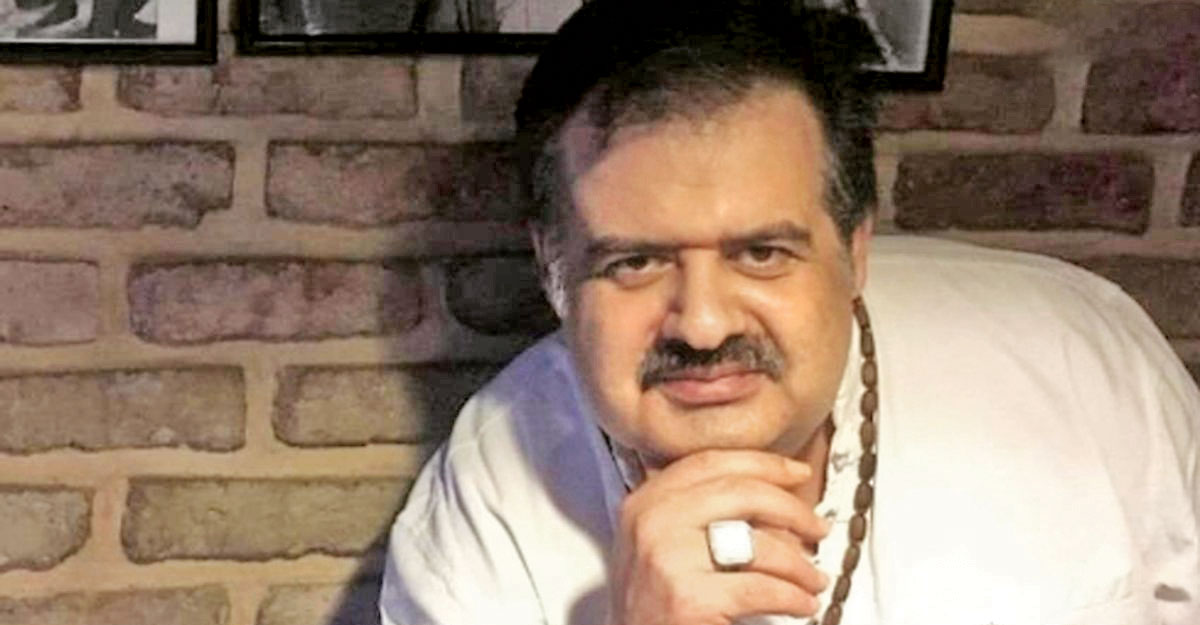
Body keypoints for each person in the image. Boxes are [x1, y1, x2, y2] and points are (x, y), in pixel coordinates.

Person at [379, 1, 1200, 623]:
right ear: (551, 266)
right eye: (634, 262)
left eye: (761, 252)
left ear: (856, 248)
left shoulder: (1083, 358)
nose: (703, 325)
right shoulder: (486, 511)